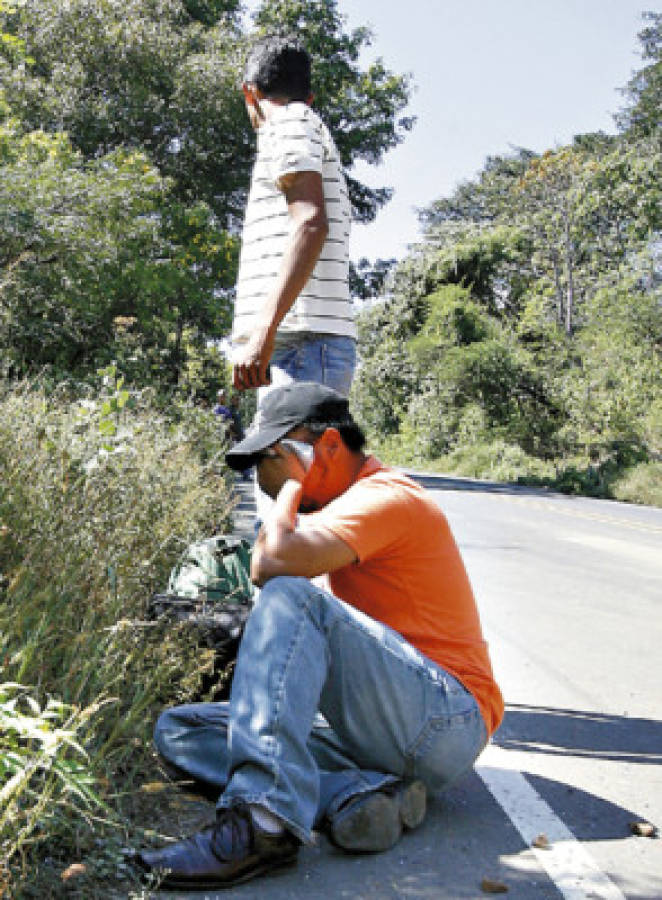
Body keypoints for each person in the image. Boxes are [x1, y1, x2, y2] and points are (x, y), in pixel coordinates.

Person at [134, 383, 504, 891]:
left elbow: (271, 564)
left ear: (327, 446)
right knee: (180, 729)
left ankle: (263, 823)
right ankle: (360, 793)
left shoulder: (387, 498)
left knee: (289, 594)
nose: (261, 477)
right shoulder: (340, 508)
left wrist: (290, 485)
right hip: (381, 725)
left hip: (445, 719)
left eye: (270, 457)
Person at [231, 36, 356, 400]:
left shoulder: (289, 123)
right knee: (281, 459)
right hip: (302, 347)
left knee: (297, 459)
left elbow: (310, 223)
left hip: (302, 344)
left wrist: (262, 332)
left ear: (249, 93)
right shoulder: (304, 124)